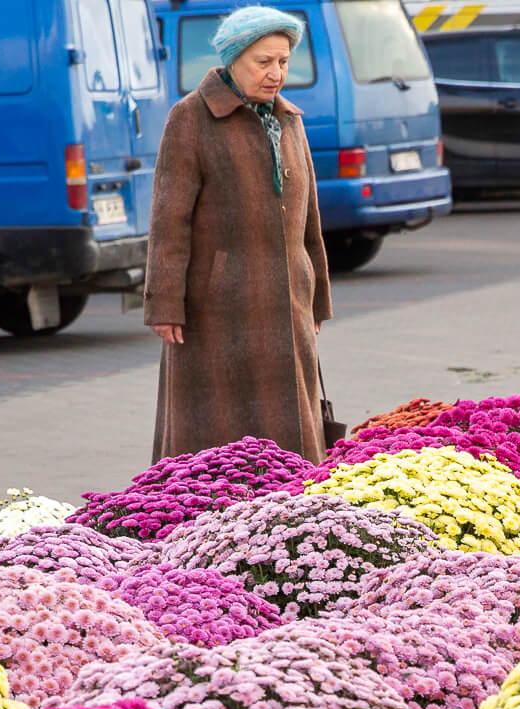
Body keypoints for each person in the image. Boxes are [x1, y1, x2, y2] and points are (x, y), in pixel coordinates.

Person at [144, 5, 333, 463]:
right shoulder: (190, 118)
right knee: (214, 433)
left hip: (289, 299)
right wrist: (164, 303)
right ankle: (203, 503)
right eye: (263, 62)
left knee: (293, 432)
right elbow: (169, 220)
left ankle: (291, 501)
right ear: (233, 59)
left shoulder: (289, 118)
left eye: (283, 61)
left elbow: (309, 218)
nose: (276, 74)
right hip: (216, 307)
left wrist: (318, 297)